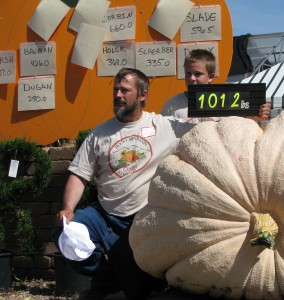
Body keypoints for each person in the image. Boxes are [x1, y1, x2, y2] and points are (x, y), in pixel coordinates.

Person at [53, 67, 270, 300]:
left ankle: (119, 279)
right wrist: (68, 208)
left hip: (143, 220)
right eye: (115, 89)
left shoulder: (165, 126)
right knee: (67, 236)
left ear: (142, 95)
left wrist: (249, 117)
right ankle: (105, 275)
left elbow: (212, 134)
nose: (118, 95)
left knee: (138, 291)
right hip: (103, 216)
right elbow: (79, 175)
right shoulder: (99, 134)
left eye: (125, 90)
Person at [161, 48, 271, 123]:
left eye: (198, 74)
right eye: (188, 73)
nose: (191, 78)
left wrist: (255, 116)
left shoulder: (228, 101)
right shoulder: (172, 105)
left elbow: (237, 128)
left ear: (211, 77)